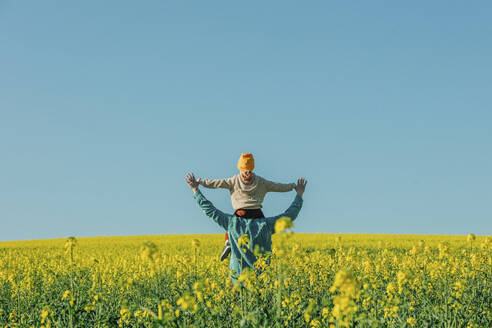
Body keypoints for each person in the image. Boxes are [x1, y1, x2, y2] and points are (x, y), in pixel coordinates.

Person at [185, 172, 306, 280]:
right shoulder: (266, 225)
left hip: (238, 281)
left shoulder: (232, 223)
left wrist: (196, 190)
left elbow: (210, 211)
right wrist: (299, 195)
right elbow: (290, 215)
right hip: (262, 281)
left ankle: (227, 243)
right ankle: (227, 244)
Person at [194, 153, 297, 260]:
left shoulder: (234, 180)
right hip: (258, 215)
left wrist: (201, 182)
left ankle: (228, 242)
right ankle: (266, 246)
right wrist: (293, 186)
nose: (247, 174)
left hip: (240, 214)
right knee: (264, 233)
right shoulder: (261, 182)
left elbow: (216, 183)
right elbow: (278, 186)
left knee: (230, 226)